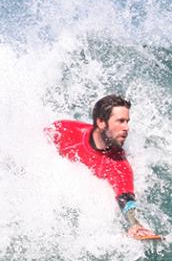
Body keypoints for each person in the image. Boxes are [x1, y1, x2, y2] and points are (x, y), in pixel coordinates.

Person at [47, 94, 158, 239]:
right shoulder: (65, 130)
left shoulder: (118, 165)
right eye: (120, 121)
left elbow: (125, 197)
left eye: (127, 121)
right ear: (101, 122)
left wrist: (135, 224)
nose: (126, 128)